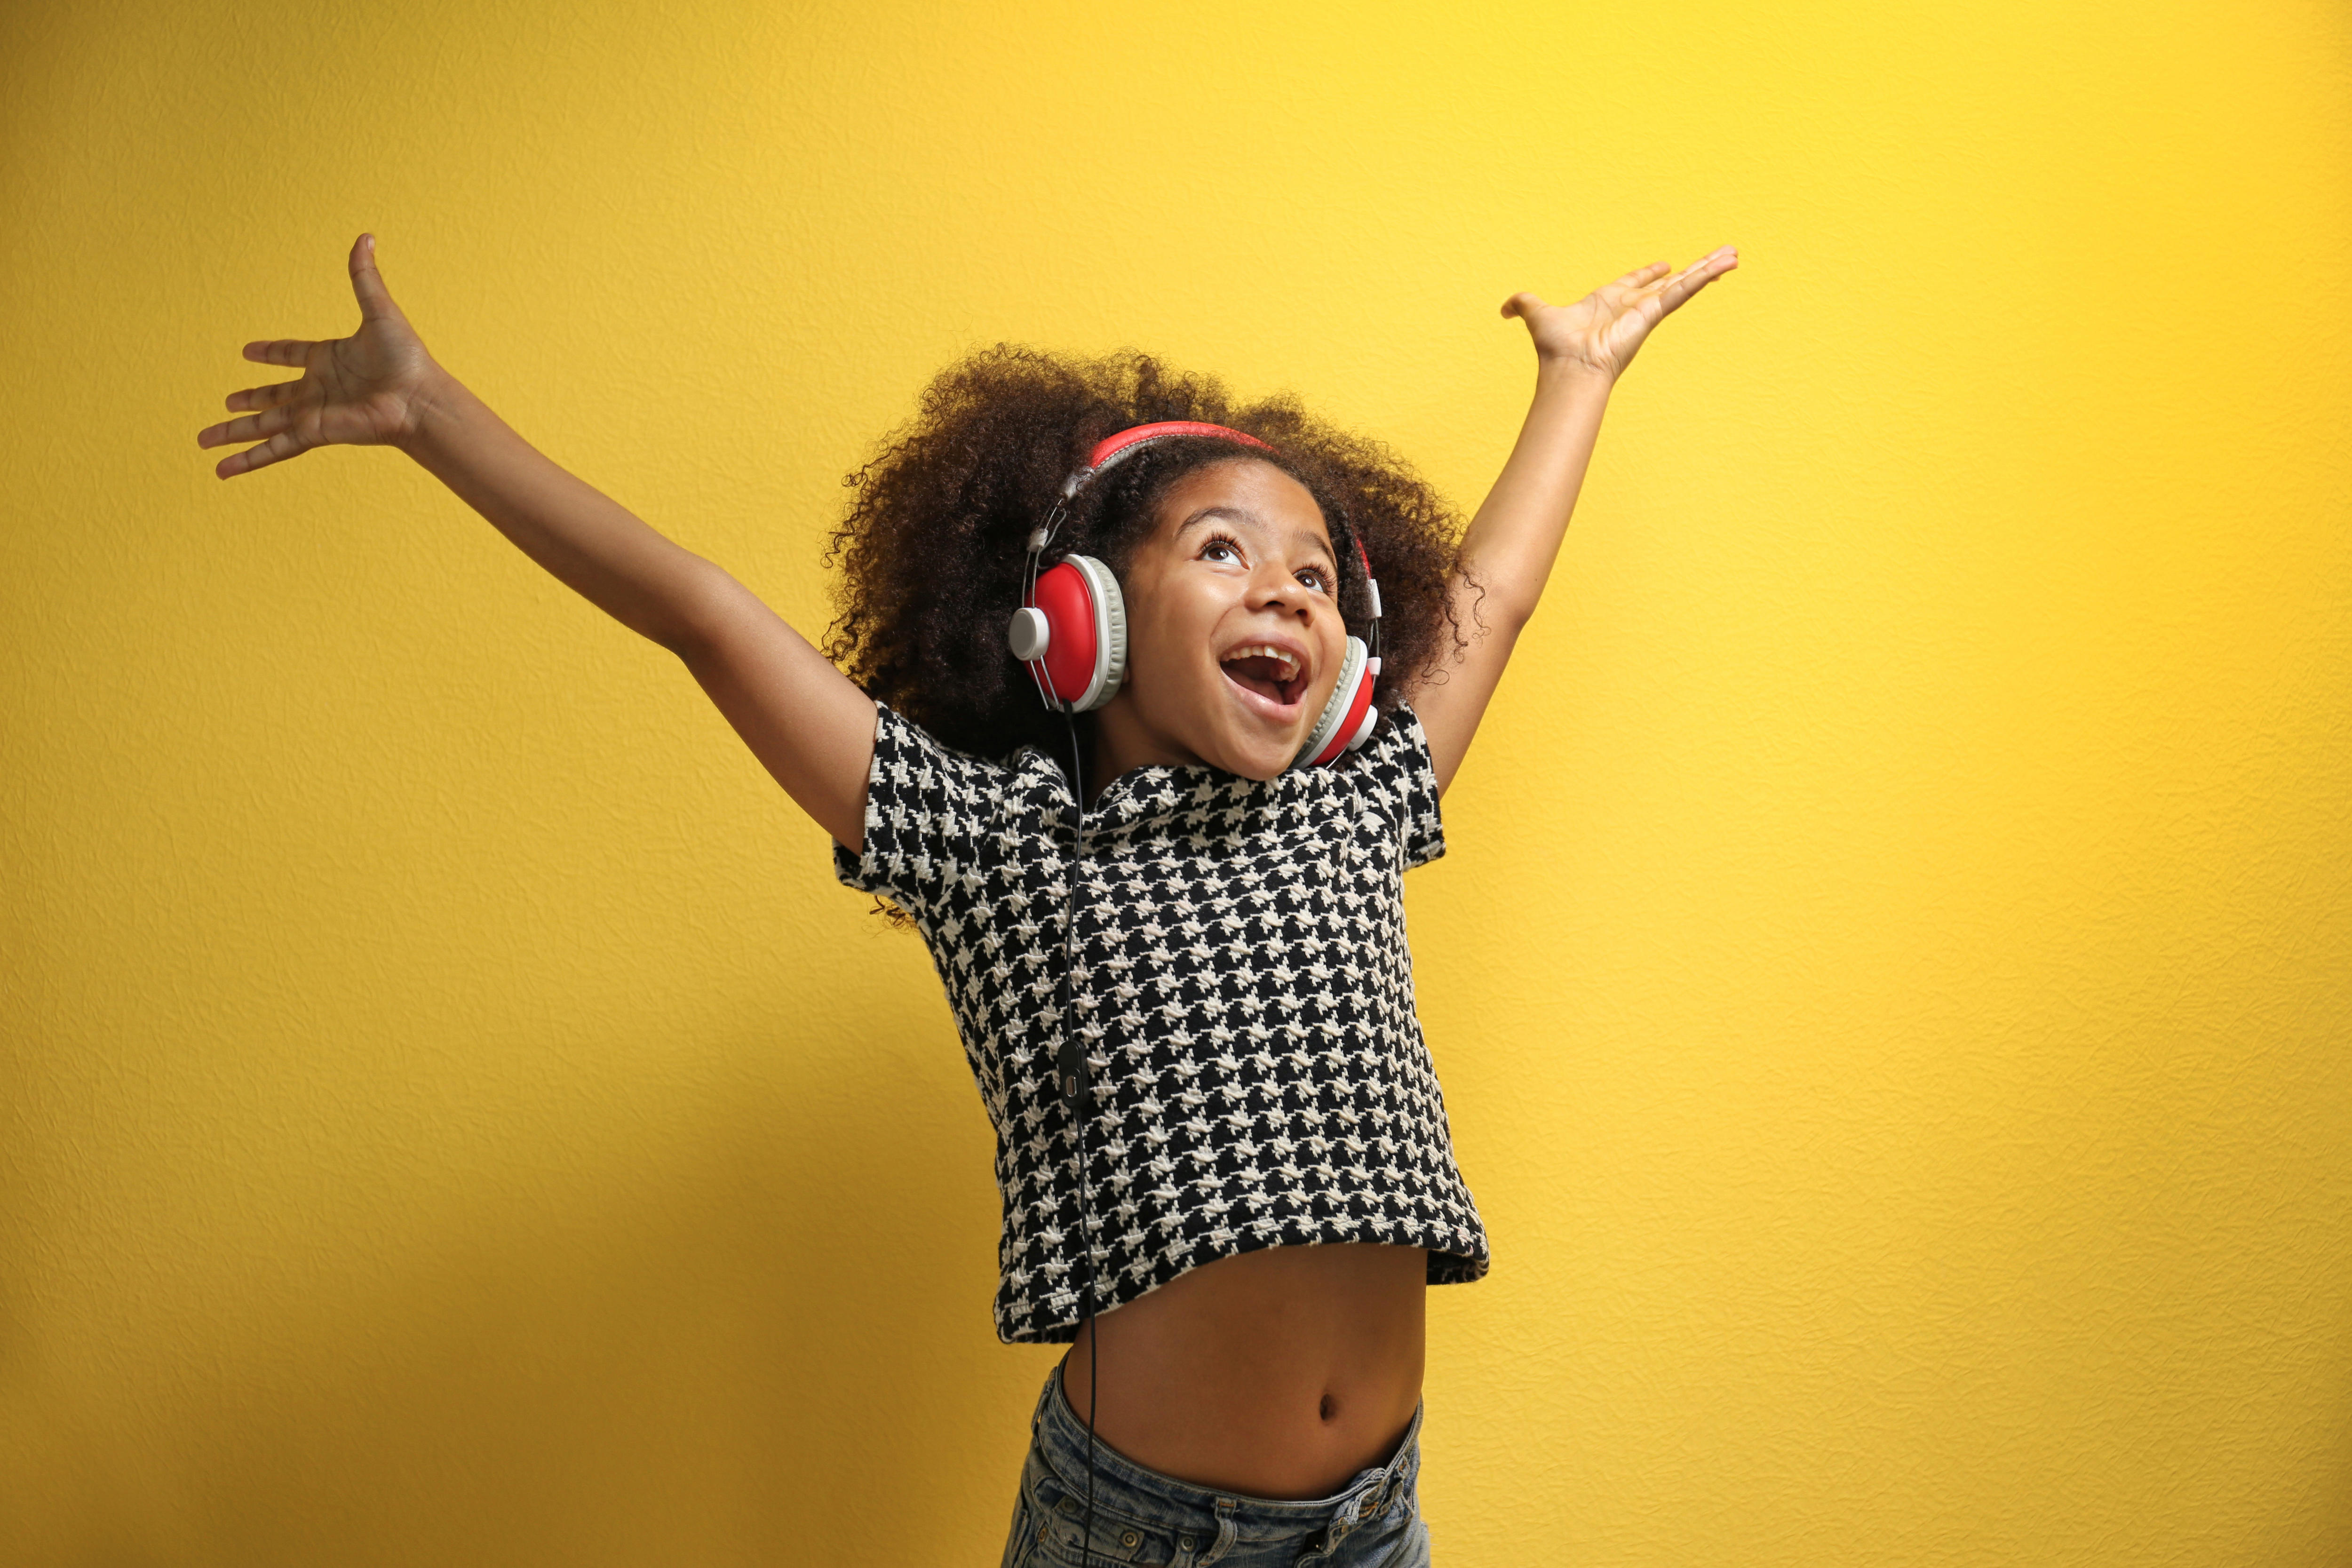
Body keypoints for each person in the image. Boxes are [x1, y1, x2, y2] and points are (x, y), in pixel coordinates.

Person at [199, 233, 1736, 1566]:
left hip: (1375, 1517)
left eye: (1321, 580)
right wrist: (431, 414)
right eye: (1224, 551)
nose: (1289, 591)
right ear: (1080, 623)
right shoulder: (1001, 849)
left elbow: (1497, 600)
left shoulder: (1358, 797)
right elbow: (706, 620)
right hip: (1141, 1536)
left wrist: (1580, 376)